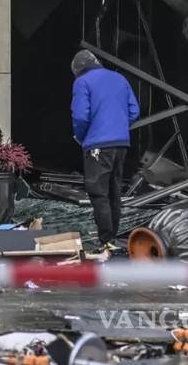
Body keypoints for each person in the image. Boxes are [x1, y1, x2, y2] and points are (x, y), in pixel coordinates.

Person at [70, 49, 139, 254]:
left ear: (78, 70)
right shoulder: (119, 78)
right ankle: (112, 239)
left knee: (98, 192)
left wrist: (82, 136)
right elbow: (134, 111)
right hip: (121, 143)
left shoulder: (82, 82)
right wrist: (118, 126)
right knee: (114, 191)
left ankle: (106, 240)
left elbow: (80, 116)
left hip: (98, 145)